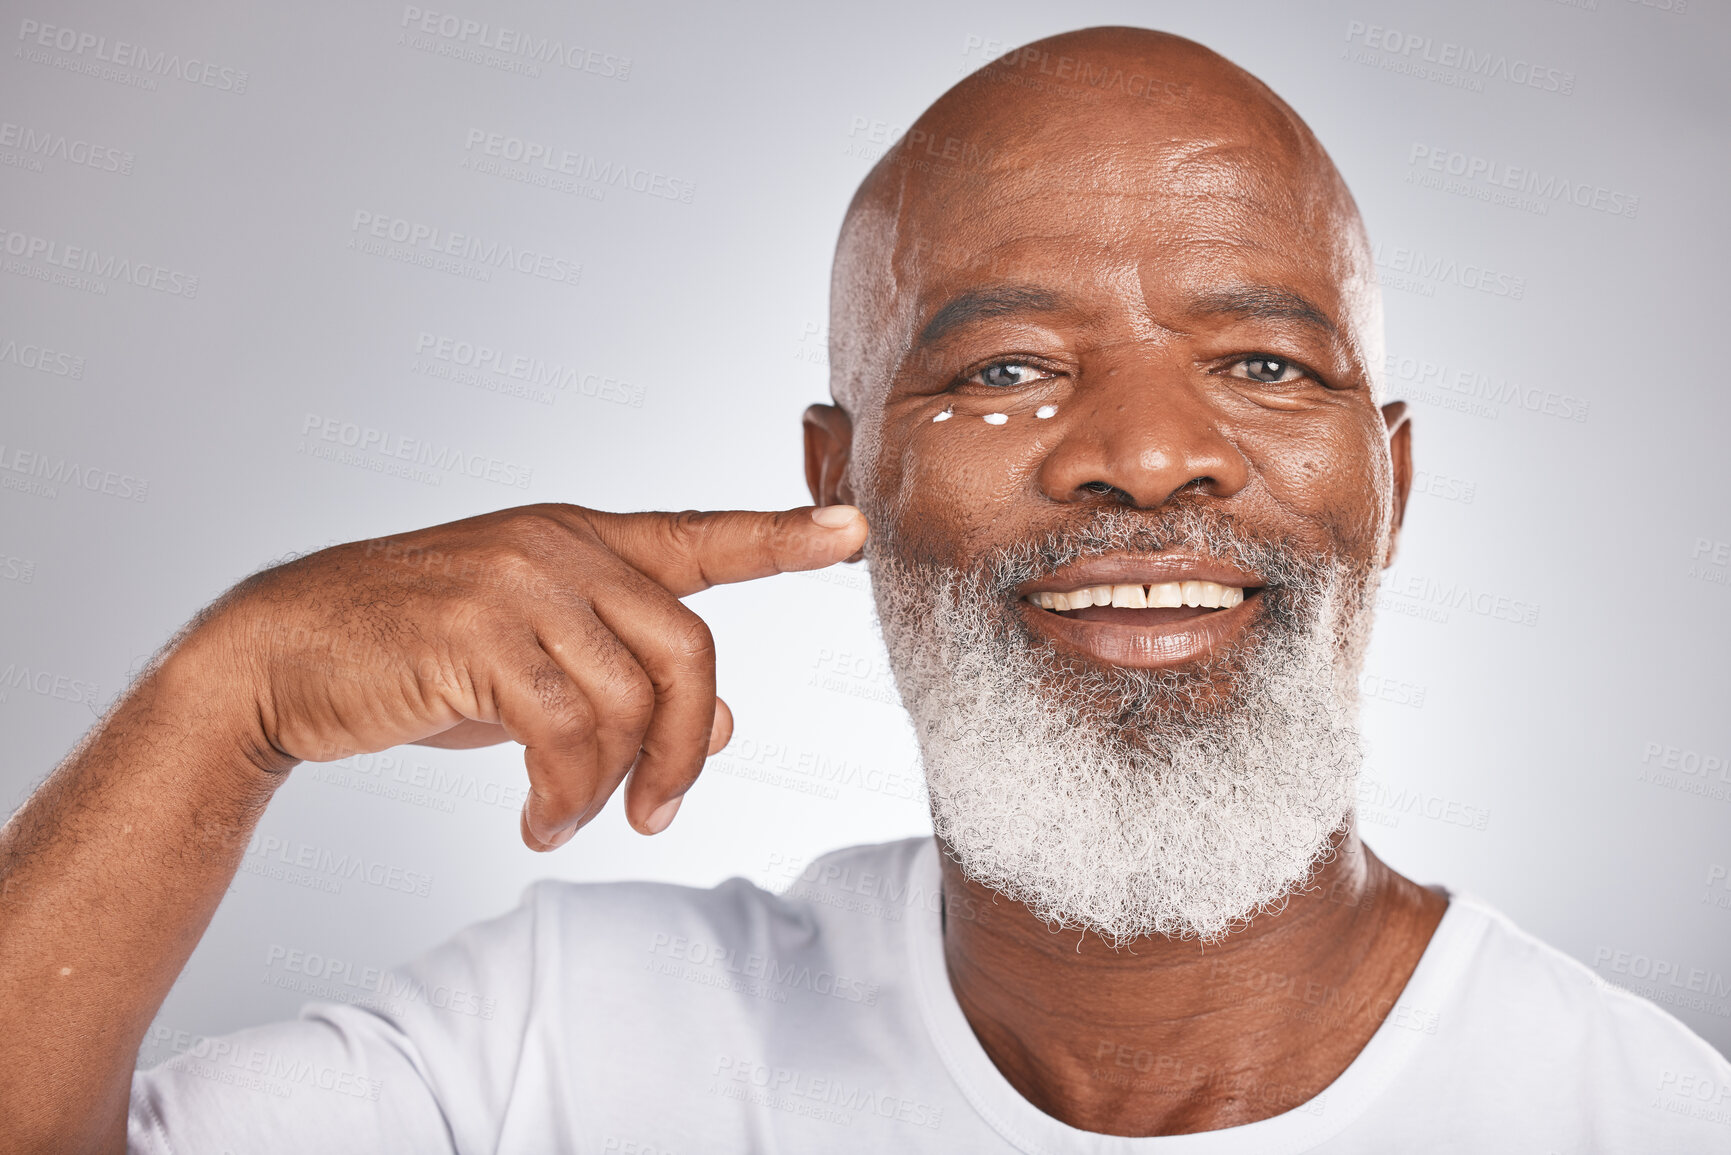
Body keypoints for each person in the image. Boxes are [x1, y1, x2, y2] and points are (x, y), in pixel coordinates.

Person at [3, 25, 1726, 1154]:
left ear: (1390, 484)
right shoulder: (560, 1052)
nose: (1144, 452)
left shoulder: (1638, 1117)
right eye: (1003, 373)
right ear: (847, 484)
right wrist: (223, 704)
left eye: (1268, 367)